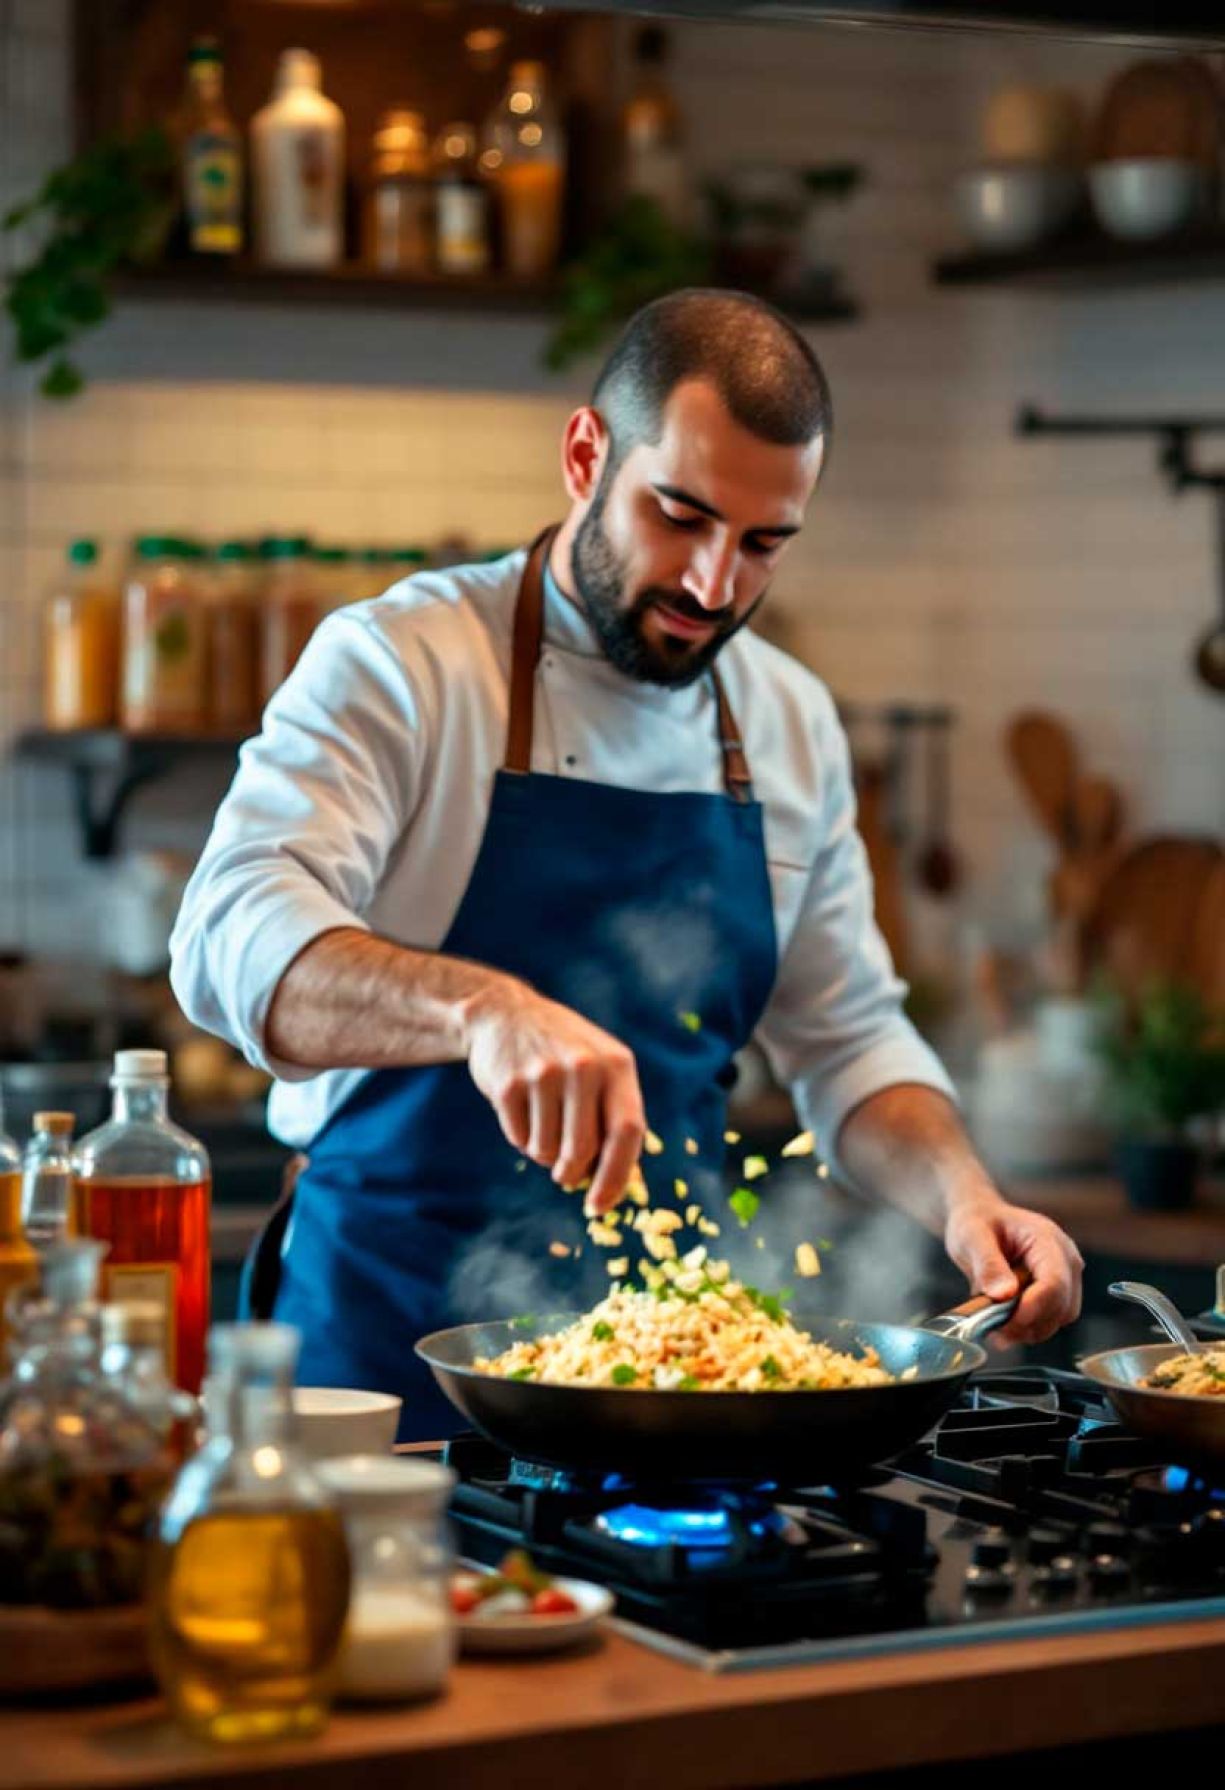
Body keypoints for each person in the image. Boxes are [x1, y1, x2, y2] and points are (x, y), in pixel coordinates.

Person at [170, 289, 1083, 1438]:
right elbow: (225, 942)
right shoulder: (402, 662)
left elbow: (846, 1037)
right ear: (585, 452)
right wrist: (484, 1010)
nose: (714, 585)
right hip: (379, 1362)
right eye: (680, 515)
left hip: (668, 1381)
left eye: (762, 544)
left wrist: (967, 1200)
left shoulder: (787, 721)